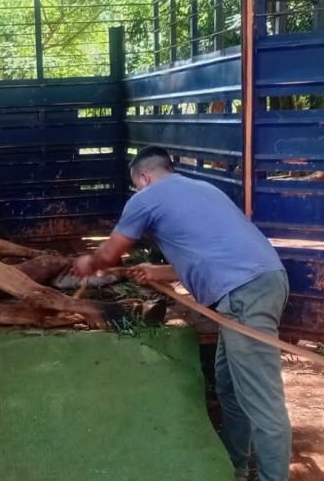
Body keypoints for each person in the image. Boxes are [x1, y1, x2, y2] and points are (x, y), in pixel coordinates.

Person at [73, 146, 292, 481]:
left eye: (136, 184)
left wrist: (89, 263)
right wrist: (160, 272)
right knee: (230, 387)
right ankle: (234, 467)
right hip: (263, 282)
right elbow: (212, 253)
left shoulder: (145, 198)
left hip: (243, 297)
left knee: (263, 402)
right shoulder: (203, 189)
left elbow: (111, 252)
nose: (137, 190)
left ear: (143, 177)